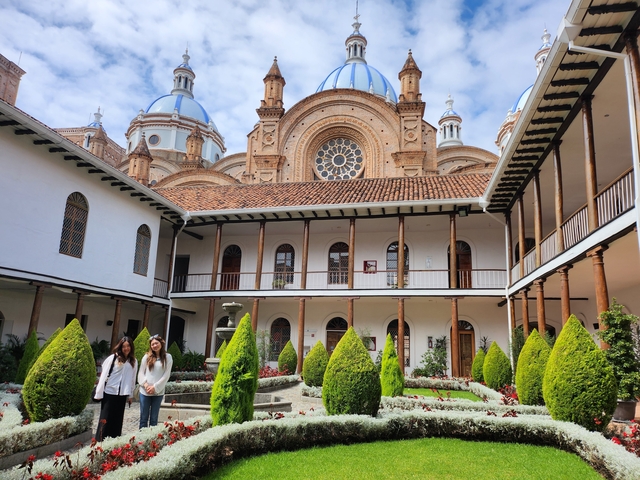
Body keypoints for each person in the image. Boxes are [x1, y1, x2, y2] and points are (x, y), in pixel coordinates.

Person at [94, 336, 137, 441]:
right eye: (124, 346)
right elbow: (103, 376)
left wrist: (130, 395)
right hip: (110, 392)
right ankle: (100, 440)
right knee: (105, 418)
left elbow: (132, 379)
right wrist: (99, 393)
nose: (126, 348)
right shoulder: (113, 358)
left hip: (122, 394)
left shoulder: (133, 361)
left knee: (117, 419)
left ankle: (114, 440)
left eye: (128, 346)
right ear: (120, 347)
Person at [138, 334, 173, 428]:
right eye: (152, 344)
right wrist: (145, 385)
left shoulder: (167, 357)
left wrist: (155, 387)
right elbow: (141, 372)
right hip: (144, 391)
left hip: (158, 392)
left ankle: (152, 439)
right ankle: (141, 439)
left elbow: (166, 375)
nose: (155, 346)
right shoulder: (146, 357)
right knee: (143, 418)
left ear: (161, 343)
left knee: (154, 418)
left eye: (156, 343)